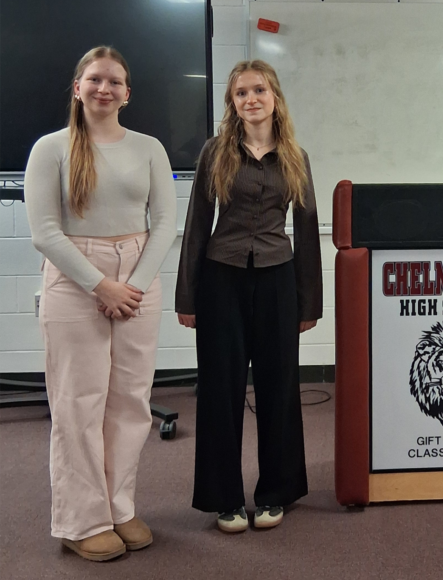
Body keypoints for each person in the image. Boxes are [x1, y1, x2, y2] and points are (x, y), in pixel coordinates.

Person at [25, 46, 177, 560]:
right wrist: (100, 286)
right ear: (78, 88)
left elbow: (165, 224)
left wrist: (133, 284)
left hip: (138, 277)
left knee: (130, 401)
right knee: (78, 402)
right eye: (94, 79)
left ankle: (119, 508)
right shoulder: (50, 148)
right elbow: (45, 232)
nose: (104, 88)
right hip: (76, 278)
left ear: (127, 93)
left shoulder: (149, 148)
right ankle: (82, 519)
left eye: (114, 81)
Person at [176, 60, 322, 533]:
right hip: (222, 279)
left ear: (274, 96)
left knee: (280, 387)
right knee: (221, 389)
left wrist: (309, 303)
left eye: (259, 90)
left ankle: (276, 491)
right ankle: (225, 498)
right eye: (241, 93)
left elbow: (306, 231)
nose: (251, 99)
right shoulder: (216, 152)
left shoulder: (296, 157)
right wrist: (187, 297)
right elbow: (197, 224)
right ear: (232, 102)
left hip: (278, 278)